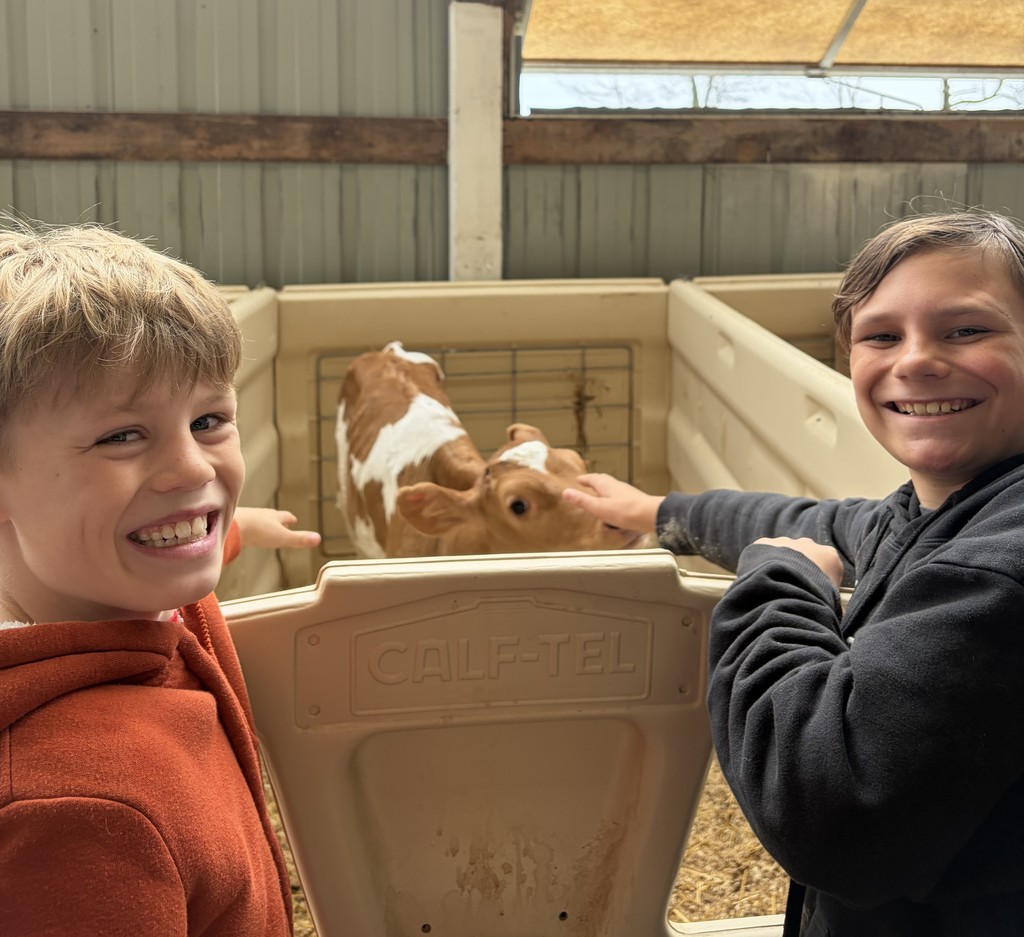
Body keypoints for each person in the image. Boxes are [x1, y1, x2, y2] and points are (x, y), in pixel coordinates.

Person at [563, 209, 1024, 936]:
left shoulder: (994, 569)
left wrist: (777, 586)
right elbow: (822, 523)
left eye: (965, 329)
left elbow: (832, 813)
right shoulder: (949, 513)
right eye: (880, 335)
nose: (915, 359)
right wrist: (659, 511)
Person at [0, 220, 320, 936]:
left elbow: (177, 542)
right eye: (122, 436)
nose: (195, 470)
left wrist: (241, 529)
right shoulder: (77, 816)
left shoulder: (133, 590)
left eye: (209, 419)